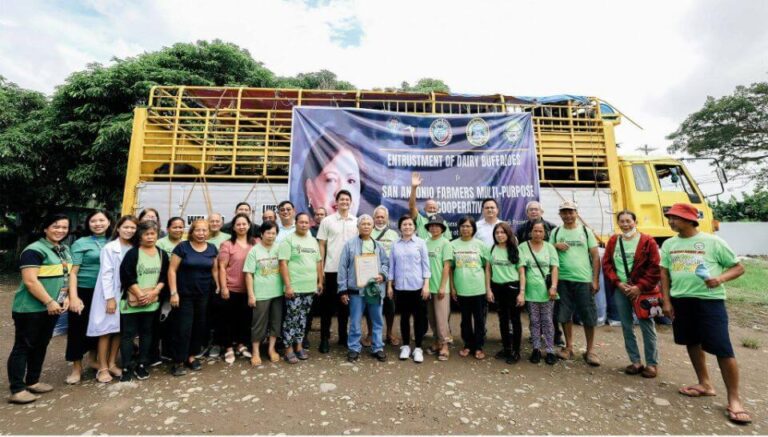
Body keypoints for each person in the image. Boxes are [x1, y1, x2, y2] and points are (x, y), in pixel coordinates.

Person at [660, 203, 750, 425]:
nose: (671, 222)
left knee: (722, 348)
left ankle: (734, 399)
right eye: (670, 218)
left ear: (690, 220)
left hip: (710, 302)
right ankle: (705, 384)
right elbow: (664, 272)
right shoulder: (669, 244)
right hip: (681, 300)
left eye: (675, 218)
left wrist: (719, 279)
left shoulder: (713, 242)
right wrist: (667, 301)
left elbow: (738, 267)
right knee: (692, 342)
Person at [6, 213, 71, 404]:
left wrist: (64, 298)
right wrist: (49, 302)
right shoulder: (34, 250)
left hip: (51, 308)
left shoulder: (63, 249)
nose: (60, 230)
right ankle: (17, 389)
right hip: (30, 309)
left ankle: (33, 381)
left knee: (41, 344)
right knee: (23, 346)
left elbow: (65, 276)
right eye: (55, 226)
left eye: (64, 227)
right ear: (45, 228)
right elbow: (30, 281)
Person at [602, 210, 661, 378]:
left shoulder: (647, 241)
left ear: (635, 222)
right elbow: (607, 264)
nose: (625, 224)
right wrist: (618, 283)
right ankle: (635, 361)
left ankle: (652, 364)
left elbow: (654, 267)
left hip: (643, 291)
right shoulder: (614, 241)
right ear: (618, 223)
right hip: (621, 290)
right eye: (622, 221)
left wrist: (639, 287)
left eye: (628, 220)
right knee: (627, 326)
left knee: (647, 326)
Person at [87, 215, 138, 383]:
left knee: (119, 330)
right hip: (110, 294)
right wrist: (109, 298)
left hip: (126, 293)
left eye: (132, 228)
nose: (129, 230)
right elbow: (106, 274)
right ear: (118, 228)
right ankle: (102, 368)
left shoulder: (134, 247)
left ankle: (112, 363)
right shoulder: (110, 248)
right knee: (105, 331)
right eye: (126, 227)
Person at [549, 201, 601, 366]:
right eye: (564, 212)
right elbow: (548, 252)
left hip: (583, 280)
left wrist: (595, 279)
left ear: (576, 213)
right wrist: (555, 246)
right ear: (560, 215)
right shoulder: (556, 232)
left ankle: (590, 350)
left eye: (570, 212)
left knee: (588, 316)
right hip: (563, 280)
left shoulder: (585, 232)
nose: (567, 215)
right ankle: (568, 347)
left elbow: (595, 256)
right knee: (564, 315)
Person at [118, 221, 169, 381]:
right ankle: (126, 367)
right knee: (128, 334)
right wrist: (140, 294)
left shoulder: (162, 254)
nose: (149, 237)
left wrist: (154, 293)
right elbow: (127, 276)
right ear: (140, 235)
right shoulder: (133, 253)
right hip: (132, 302)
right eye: (146, 234)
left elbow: (164, 276)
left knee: (147, 333)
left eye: (152, 234)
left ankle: (142, 364)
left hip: (152, 302)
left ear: (157, 234)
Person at [167, 219, 219, 376]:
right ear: (192, 231)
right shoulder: (182, 247)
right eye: (198, 230)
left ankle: (191, 357)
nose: (201, 233)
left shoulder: (212, 248)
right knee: (183, 328)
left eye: (204, 230)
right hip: (184, 295)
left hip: (203, 295)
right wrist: (173, 292)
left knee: (199, 327)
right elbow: (171, 271)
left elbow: (215, 269)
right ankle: (178, 361)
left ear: (208, 232)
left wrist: (218, 284)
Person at [66, 210, 112, 385]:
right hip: (84, 291)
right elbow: (73, 272)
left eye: (102, 220)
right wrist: (74, 296)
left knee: (101, 329)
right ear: (88, 223)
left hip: (106, 293)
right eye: (94, 221)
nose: (98, 224)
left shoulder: (114, 241)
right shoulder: (80, 243)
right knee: (77, 329)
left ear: (109, 222)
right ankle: (76, 368)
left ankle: (96, 361)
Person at [338, 215, 389, 362]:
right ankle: (354, 348)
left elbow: (386, 263)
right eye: (363, 224)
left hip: (375, 289)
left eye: (369, 224)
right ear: (358, 227)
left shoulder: (378, 246)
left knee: (377, 320)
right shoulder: (349, 245)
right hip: (356, 291)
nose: (366, 226)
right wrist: (343, 289)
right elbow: (342, 267)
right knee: (355, 321)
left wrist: (382, 274)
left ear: (373, 227)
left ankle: (377, 347)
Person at [316, 190, 358, 353]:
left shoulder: (356, 221)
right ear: (336, 202)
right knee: (327, 308)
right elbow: (321, 245)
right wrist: (321, 270)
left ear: (351, 202)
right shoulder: (327, 221)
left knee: (345, 306)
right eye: (342, 199)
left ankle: (343, 337)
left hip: (350, 271)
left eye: (347, 199)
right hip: (331, 269)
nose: (344, 202)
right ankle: (324, 339)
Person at [278, 213, 323, 364]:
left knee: (303, 318)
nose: (304, 224)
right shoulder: (288, 240)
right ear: (295, 223)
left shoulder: (313, 241)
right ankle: (288, 349)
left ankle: (299, 346)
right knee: (291, 319)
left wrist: (319, 282)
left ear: (309, 225)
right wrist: (288, 286)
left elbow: (318, 262)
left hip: (309, 287)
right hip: (294, 288)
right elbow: (283, 263)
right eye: (301, 222)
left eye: (306, 222)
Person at [387, 215, 430, 363]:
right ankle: (406, 346)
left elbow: (426, 266)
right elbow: (391, 267)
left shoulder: (421, 243)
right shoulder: (395, 244)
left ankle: (418, 348)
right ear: (400, 227)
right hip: (400, 288)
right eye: (404, 224)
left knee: (418, 318)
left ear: (414, 227)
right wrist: (389, 285)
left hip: (417, 287)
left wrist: (426, 285)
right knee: (404, 317)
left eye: (410, 224)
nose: (407, 227)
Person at [448, 216, 491, 360]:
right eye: (463, 226)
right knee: (465, 320)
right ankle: (467, 345)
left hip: (478, 289)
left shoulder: (481, 245)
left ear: (473, 229)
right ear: (459, 228)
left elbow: (487, 268)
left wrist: (487, 288)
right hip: (462, 289)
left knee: (479, 319)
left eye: (468, 226)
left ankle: (478, 347)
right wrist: (453, 288)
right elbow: (451, 269)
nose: (465, 229)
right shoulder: (452, 245)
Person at [216, 214, 256, 364]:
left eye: (244, 224)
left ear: (249, 225)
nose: (241, 227)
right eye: (238, 224)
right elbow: (221, 267)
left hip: (249, 289)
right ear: (233, 227)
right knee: (227, 320)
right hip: (231, 288)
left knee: (245, 319)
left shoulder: (255, 243)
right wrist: (224, 287)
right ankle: (227, 348)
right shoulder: (227, 245)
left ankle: (241, 344)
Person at [518, 222, 560, 365]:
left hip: (547, 292)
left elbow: (554, 268)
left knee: (547, 321)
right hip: (531, 292)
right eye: (535, 231)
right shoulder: (523, 247)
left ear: (545, 233)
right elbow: (522, 271)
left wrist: (554, 286)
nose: (537, 234)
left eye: (540, 231)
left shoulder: (550, 248)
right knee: (534, 321)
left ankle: (549, 350)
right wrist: (522, 291)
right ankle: (536, 348)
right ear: (530, 232)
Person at [301, 134, 365, 226]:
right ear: (310, 189)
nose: (342, 191)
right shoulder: (305, 236)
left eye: (351, 181)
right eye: (331, 180)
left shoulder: (364, 236)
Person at [244, 221, 283, 366]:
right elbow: (248, 274)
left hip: (278, 293)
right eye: (268, 233)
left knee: (275, 322)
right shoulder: (254, 251)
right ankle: (256, 352)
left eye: (273, 233)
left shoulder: (280, 248)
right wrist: (251, 295)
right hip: (260, 293)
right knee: (258, 324)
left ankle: (271, 349)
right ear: (261, 234)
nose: (271, 236)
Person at [485, 222, 524, 364]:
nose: (500, 235)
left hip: (512, 288)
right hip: (497, 288)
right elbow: (488, 269)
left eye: (502, 232)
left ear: (508, 234)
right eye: (497, 233)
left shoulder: (515, 250)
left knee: (515, 319)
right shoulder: (492, 249)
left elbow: (522, 272)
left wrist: (522, 293)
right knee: (502, 319)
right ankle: (507, 348)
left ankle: (516, 351)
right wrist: (488, 289)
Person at [369, 205, 401, 346]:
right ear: (373, 218)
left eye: (383, 217)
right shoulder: (368, 232)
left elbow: (396, 257)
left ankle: (389, 333)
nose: (380, 219)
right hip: (372, 276)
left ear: (387, 218)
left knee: (390, 306)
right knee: (371, 305)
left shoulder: (394, 235)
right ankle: (370, 334)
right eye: (377, 217)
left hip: (389, 277)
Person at [424, 215, 452, 361]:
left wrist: (442, 287)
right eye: (432, 225)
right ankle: (437, 341)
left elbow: (447, 266)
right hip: (428, 287)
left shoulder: (446, 243)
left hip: (441, 288)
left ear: (442, 228)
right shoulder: (425, 242)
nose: (434, 228)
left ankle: (445, 345)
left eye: (437, 225)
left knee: (441, 319)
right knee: (432, 318)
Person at [408, 172, 451, 240]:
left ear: (437, 210)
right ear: (425, 209)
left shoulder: (443, 223)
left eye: (434, 208)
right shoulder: (420, 220)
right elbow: (411, 207)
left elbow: (448, 240)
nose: (432, 210)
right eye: (430, 208)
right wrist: (414, 188)